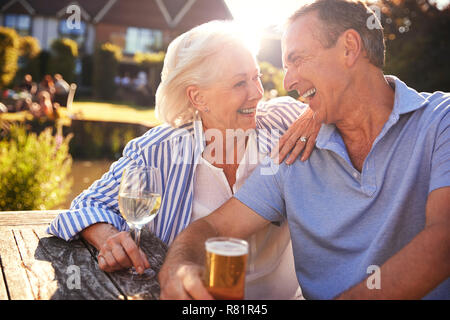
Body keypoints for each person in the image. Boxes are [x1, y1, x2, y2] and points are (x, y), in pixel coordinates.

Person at [158, 0, 450, 300]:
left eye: (297, 60)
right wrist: (179, 264)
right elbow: (214, 225)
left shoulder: (441, 121)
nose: (288, 81)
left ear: (349, 48)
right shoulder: (294, 150)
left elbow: (444, 241)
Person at [47, 21, 320, 299]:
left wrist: (315, 113)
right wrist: (107, 238)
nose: (257, 92)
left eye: (256, 76)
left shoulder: (286, 121)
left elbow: (339, 97)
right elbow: (84, 206)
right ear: (198, 97)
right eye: (240, 82)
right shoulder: (159, 149)